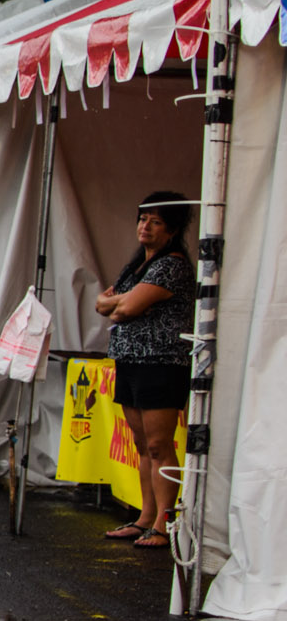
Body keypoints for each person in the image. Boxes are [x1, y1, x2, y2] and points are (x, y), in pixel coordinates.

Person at [95, 191, 197, 551]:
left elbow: (126, 307)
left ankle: (163, 522)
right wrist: (115, 305)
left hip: (160, 363)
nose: (145, 227)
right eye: (143, 219)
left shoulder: (172, 264)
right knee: (141, 444)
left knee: (158, 444)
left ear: (171, 229)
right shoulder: (138, 265)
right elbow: (103, 303)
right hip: (131, 361)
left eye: (155, 222)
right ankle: (144, 516)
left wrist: (116, 305)